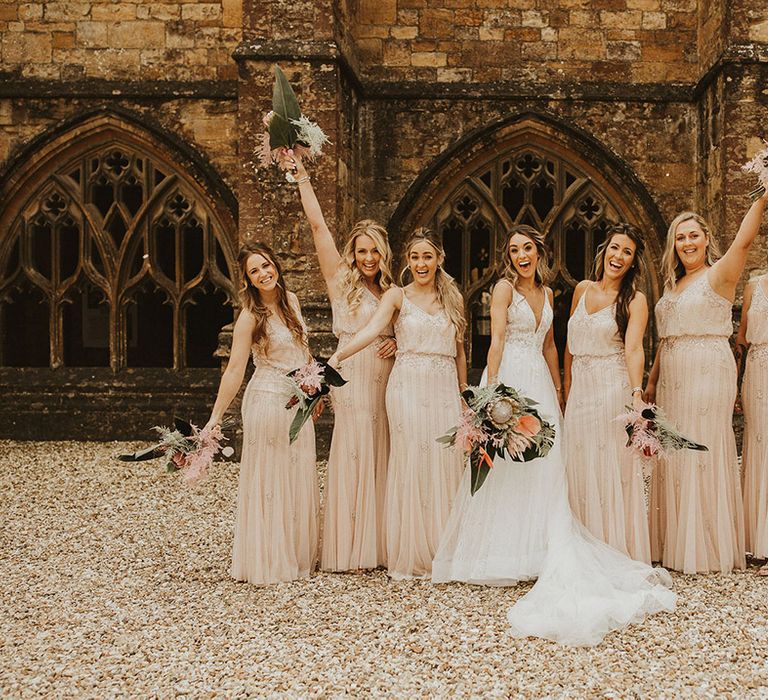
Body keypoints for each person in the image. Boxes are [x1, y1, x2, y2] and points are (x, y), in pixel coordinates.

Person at [432, 224, 675, 647]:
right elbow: (497, 339)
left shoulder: (549, 295)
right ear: (507, 256)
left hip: (545, 385)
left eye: (528, 248)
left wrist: (560, 390)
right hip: (511, 377)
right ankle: (501, 550)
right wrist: (490, 387)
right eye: (514, 249)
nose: (522, 255)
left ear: (539, 251)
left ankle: (539, 547)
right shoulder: (505, 290)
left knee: (547, 464)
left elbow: (551, 346)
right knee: (507, 464)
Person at [329, 229, 466, 579]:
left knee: (444, 462)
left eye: (428, 257)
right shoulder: (396, 296)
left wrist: (465, 396)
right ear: (407, 261)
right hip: (406, 387)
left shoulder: (453, 299)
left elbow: (461, 351)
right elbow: (373, 330)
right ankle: (409, 550)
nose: (421, 264)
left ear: (439, 260)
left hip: (443, 387)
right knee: (412, 462)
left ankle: (444, 547)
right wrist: (336, 358)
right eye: (415, 257)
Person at [645, 195, 767, 574]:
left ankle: (707, 547)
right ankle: (673, 541)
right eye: (680, 238)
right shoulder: (673, 286)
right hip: (671, 376)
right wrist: (650, 382)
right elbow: (665, 339)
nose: (687, 243)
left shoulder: (720, 274)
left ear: (706, 238)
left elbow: (744, 241)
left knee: (701, 447)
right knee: (674, 451)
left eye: (693, 236)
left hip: (707, 370)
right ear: (673, 245)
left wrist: (762, 198)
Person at [291, 152, 396, 572]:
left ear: (384, 254)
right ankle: (349, 546)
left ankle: (381, 544)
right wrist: (302, 178)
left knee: (383, 449)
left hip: (386, 376)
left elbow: (415, 331)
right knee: (353, 447)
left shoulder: (393, 289)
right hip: (349, 375)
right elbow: (318, 227)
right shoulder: (339, 279)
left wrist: (397, 346)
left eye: (375, 251)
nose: (368, 258)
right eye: (362, 250)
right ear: (352, 253)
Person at [206, 241, 319, 585]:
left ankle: (295, 554)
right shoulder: (250, 318)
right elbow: (235, 370)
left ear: (276, 265)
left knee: (296, 473)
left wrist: (314, 388)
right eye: (255, 271)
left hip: (297, 401)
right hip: (268, 400)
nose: (264, 273)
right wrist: (215, 417)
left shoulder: (292, 302)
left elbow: (303, 353)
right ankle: (269, 558)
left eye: (266, 265)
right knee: (271, 478)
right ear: (248, 281)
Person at [564, 223, 651, 562]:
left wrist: (636, 394)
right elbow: (570, 343)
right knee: (579, 463)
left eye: (626, 252)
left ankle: (612, 548)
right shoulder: (581, 290)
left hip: (610, 387)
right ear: (605, 250)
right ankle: (581, 545)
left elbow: (633, 349)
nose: (619, 256)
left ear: (632, 261)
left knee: (608, 464)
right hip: (580, 389)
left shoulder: (634, 299)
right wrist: (566, 388)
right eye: (615, 248)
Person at [735, 272, 768, 576]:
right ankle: (759, 541)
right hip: (757, 372)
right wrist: (735, 381)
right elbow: (742, 337)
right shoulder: (754, 286)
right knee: (759, 450)